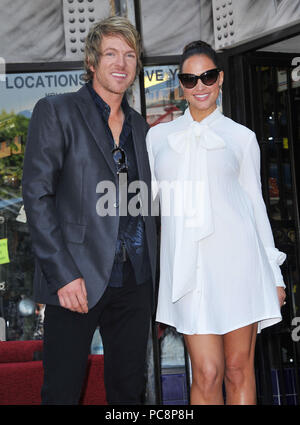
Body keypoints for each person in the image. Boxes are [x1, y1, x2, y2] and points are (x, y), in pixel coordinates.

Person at [22, 16, 157, 405]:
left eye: (130, 55)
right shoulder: (56, 111)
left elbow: (147, 204)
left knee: (130, 393)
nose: (121, 63)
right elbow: (37, 196)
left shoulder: (142, 129)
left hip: (135, 280)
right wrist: (63, 276)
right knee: (62, 392)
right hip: (74, 281)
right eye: (111, 53)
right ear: (91, 62)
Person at [146, 40, 286, 405]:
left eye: (207, 76)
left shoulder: (242, 138)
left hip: (240, 266)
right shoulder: (158, 137)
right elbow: (152, 206)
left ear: (220, 78)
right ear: (180, 84)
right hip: (190, 271)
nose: (200, 86)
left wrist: (275, 275)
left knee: (239, 369)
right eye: (190, 79)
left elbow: (255, 207)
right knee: (207, 372)